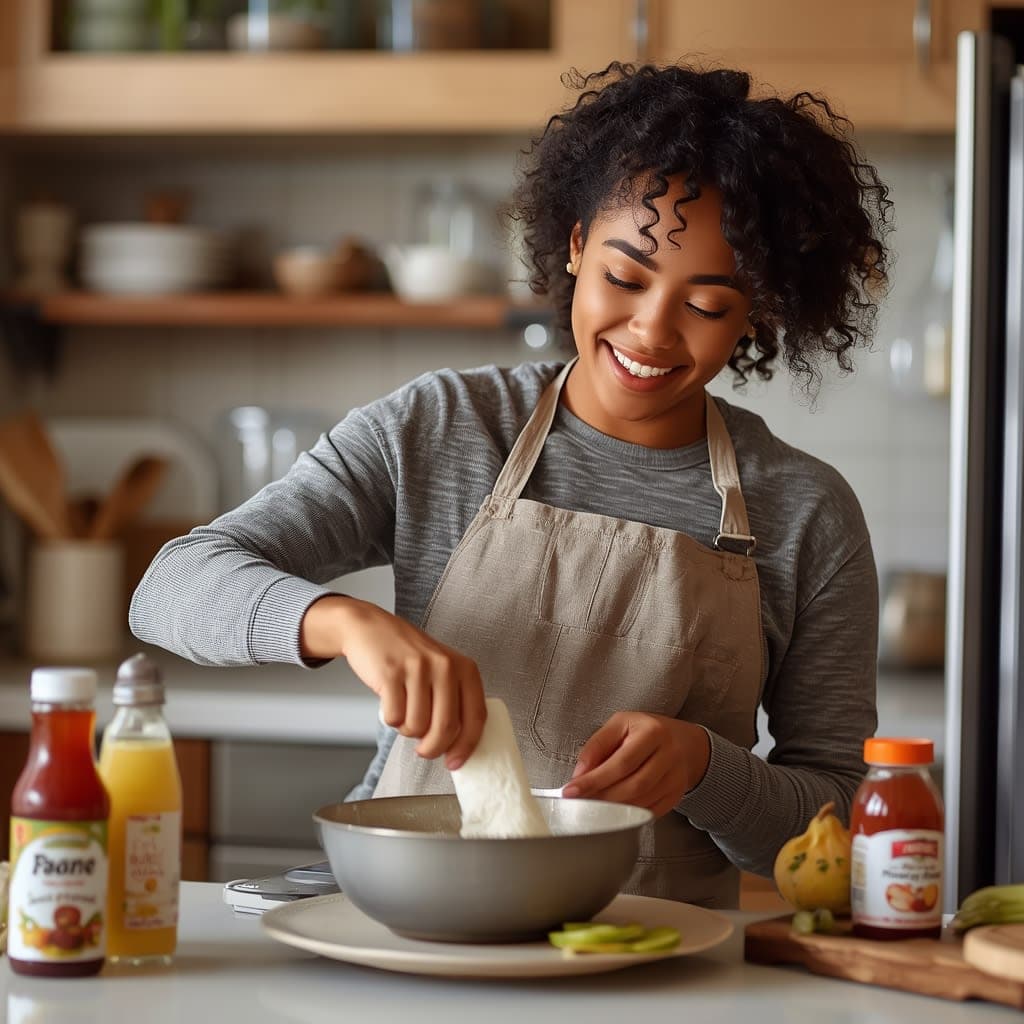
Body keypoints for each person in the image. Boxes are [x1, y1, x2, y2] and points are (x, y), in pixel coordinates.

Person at [130, 61, 891, 908]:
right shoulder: (442, 428)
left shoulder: (805, 510)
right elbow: (170, 588)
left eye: (707, 306)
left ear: (761, 309)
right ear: (576, 246)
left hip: (653, 951)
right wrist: (341, 622)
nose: (651, 330)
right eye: (625, 278)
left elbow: (843, 816)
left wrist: (707, 771)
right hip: (416, 920)